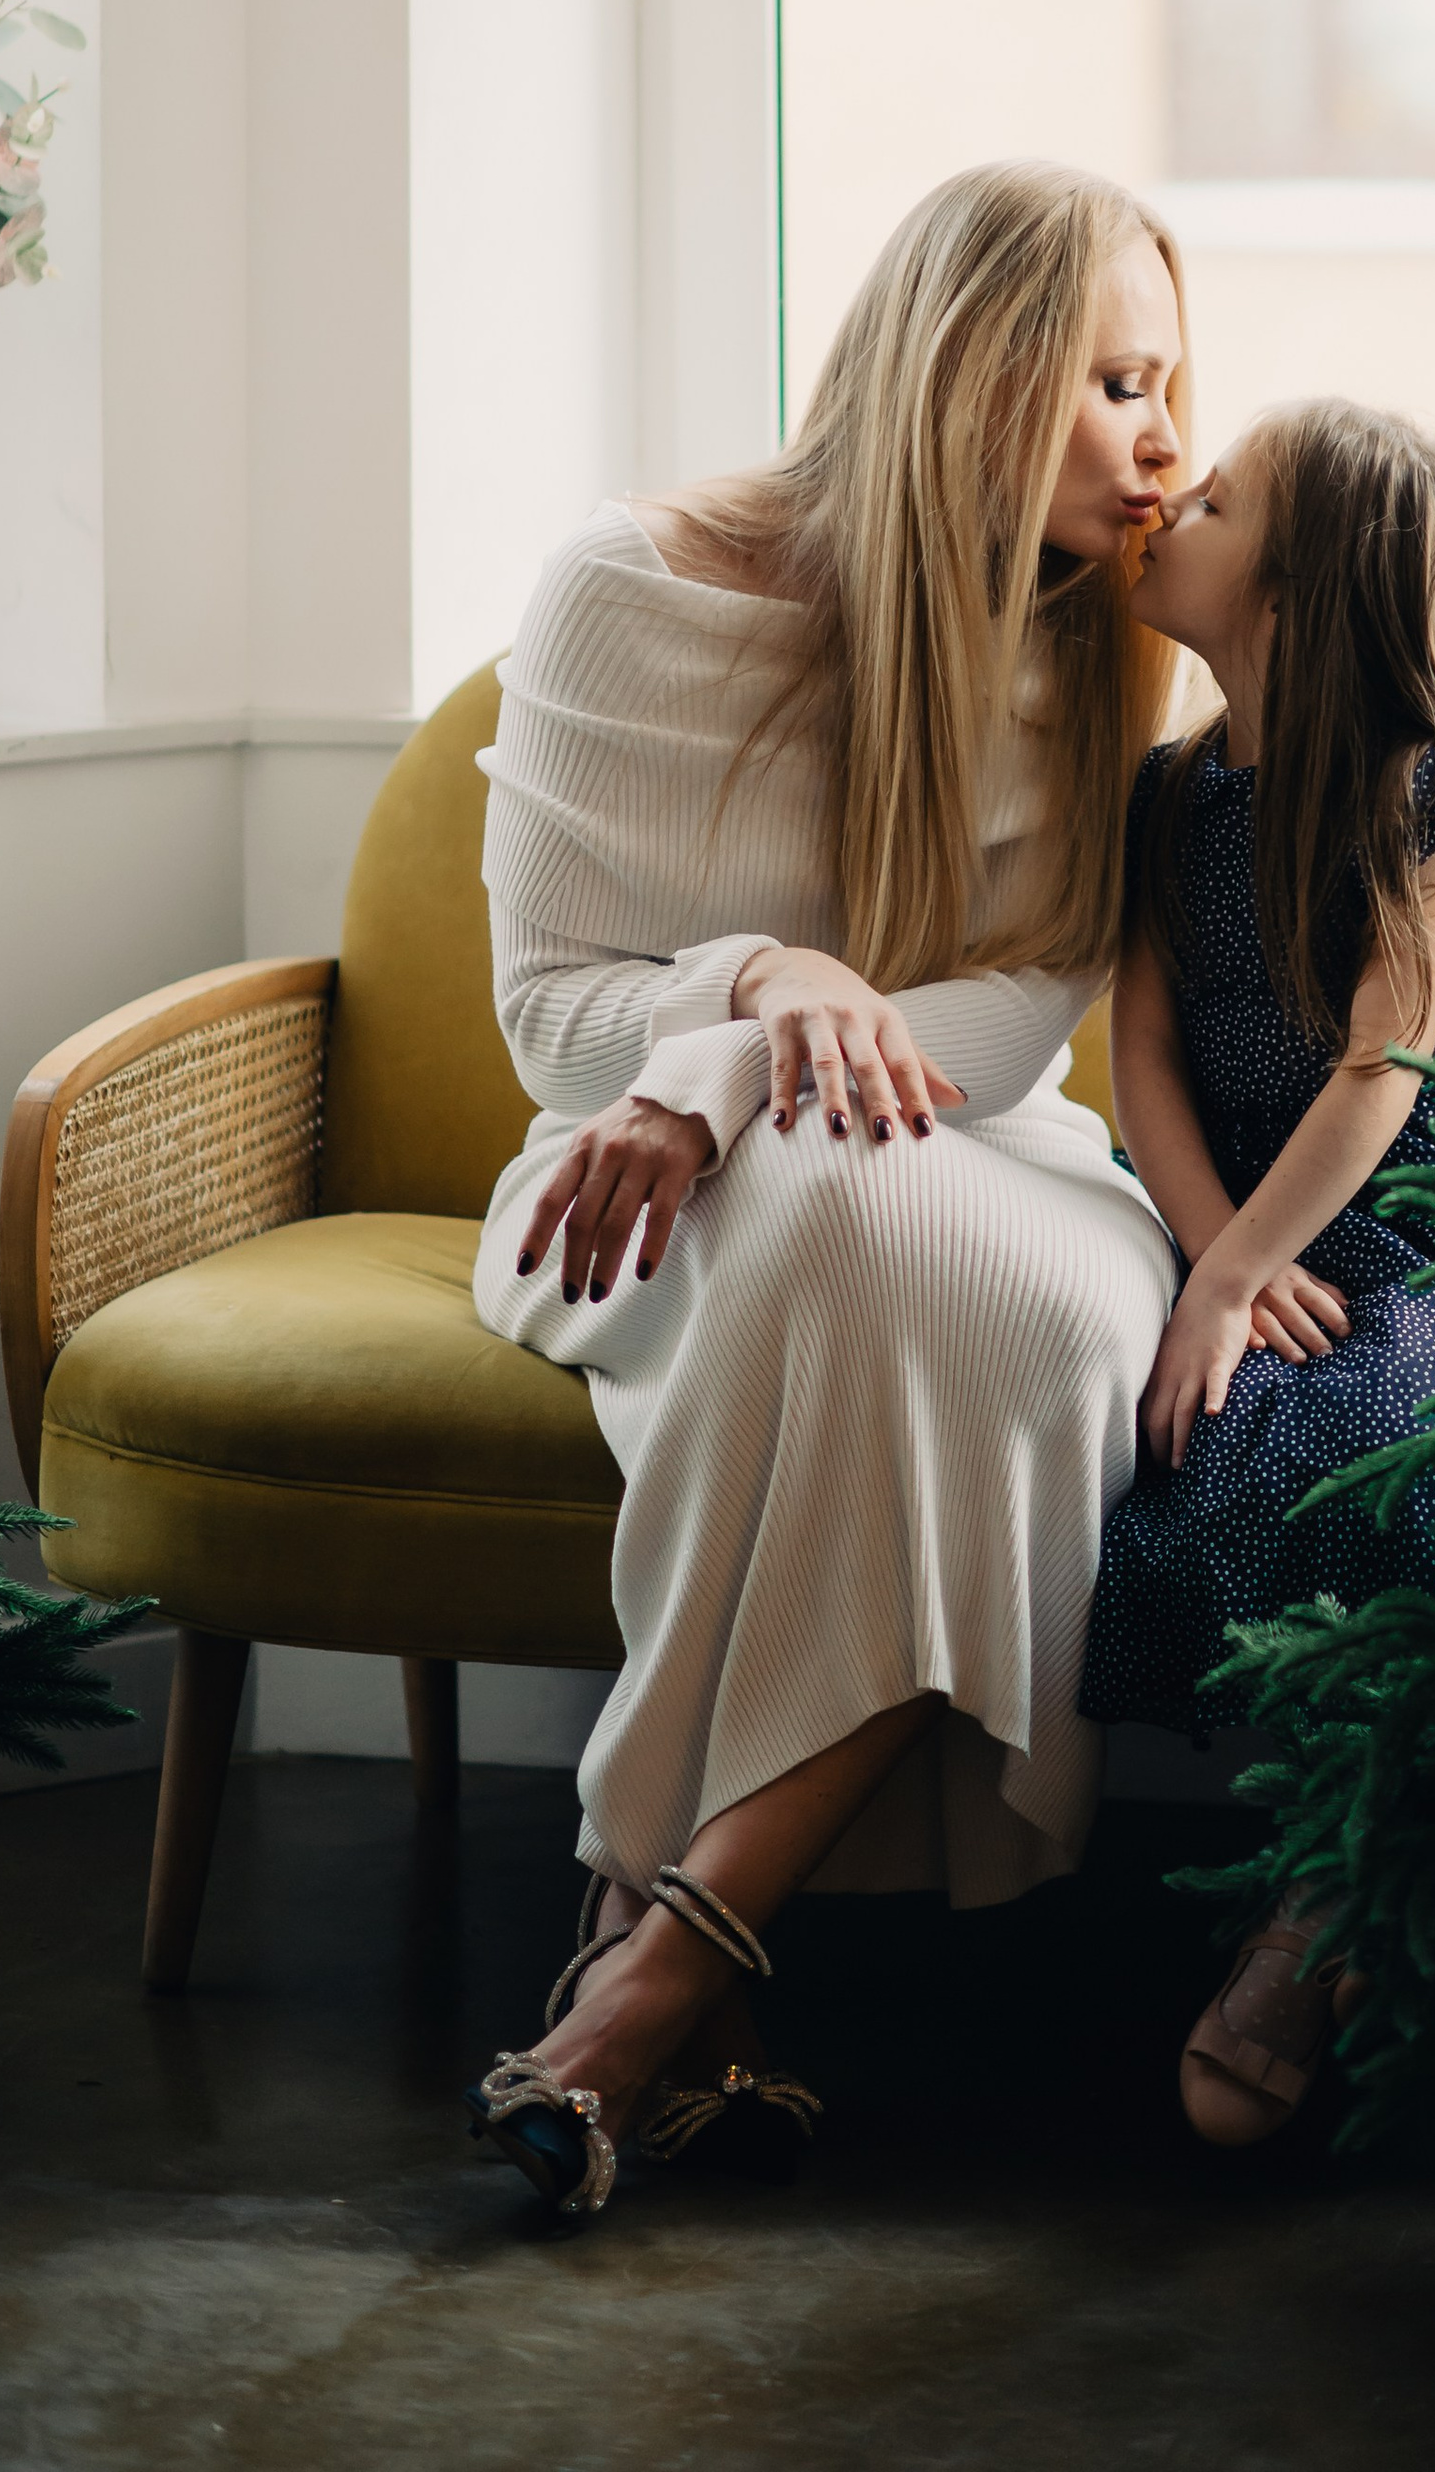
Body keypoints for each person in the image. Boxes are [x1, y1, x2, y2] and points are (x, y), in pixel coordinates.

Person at [460, 164, 1189, 2214]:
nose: (1165, 440)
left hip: (985, 1149)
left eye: (1169, 381)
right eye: (1114, 379)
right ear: (976, 374)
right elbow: (544, 1014)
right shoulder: (629, 585)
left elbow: (1010, 1028)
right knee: (822, 1224)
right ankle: (668, 1976)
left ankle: (650, 1947)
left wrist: (738, 1064)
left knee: (1017, 1303)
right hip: (626, 1178)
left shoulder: (1098, 633)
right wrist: (751, 1000)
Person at [1077, 396, 1435, 2145]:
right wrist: (1215, 1256)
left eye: (1209, 499)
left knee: (1386, 1449)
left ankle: (1335, 1889)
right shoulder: (1163, 797)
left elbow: (1386, 1062)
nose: (1167, 503)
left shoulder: (1421, 794)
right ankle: (1345, 1858)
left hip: (1405, 1242)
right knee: (1213, 1461)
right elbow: (1140, 1056)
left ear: (1295, 595)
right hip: (1244, 1232)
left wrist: (1240, 1279)